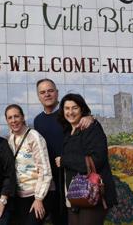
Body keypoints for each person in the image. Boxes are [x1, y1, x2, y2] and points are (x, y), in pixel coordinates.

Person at [33, 78, 93, 225]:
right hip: (50, 179)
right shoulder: (38, 120)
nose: (47, 94)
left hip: (71, 175)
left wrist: (89, 117)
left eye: (50, 91)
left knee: (73, 218)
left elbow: (84, 120)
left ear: (57, 93)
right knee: (56, 218)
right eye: (42, 92)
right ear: (38, 96)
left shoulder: (68, 114)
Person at [55, 93, 117, 225]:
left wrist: (65, 160)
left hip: (91, 194)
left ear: (82, 109)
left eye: (75, 108)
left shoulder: (91, 127)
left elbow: (97, 159)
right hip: (75, 196)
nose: (70, 112)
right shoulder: (67, 131)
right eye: (67, 108)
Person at [5, 104, 53, 225]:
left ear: (22, 117)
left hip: (39, 194)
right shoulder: (11, 139)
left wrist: (39, 198)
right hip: (21, 195)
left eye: (16, 116)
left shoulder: (34, 137)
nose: (13, 120)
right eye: (10, 118)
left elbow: (45, 170)